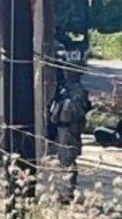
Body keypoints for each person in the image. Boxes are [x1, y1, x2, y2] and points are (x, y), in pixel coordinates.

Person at [47, 48, 91, 204]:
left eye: (69, 69)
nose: (66, 72)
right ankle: (64, 190)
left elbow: (75, 111)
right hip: (61, 128)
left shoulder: (78, 91)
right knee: (62, 159)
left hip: (70, 129)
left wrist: (63, 110)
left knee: (68, 159)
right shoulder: (65, 88)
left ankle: (68, 192)